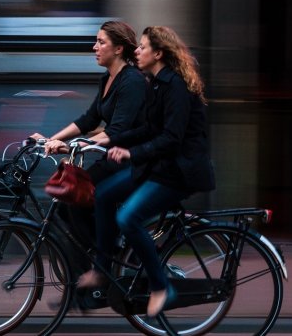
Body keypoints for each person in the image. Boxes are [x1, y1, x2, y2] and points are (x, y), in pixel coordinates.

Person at [81, 25, 215, 318]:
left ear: (159, 53)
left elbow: (171, 138)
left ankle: (161, 286)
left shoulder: (176, 86)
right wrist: (112, 140)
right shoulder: (154, 82)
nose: (137, 52)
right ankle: (102, 269)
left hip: (179, 172)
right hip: (157, 166)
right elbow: (148, 128)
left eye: (142, 47)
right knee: (102, 194)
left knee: (128, 218)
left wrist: (131, 152)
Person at [30, 19, 149, 256]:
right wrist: (50, 140)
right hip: (111, 159)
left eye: (100, 42)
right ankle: (102, 261)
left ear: (118, 49)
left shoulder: (132, 81)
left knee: (76, 200)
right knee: (69, 204)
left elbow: (116, 131)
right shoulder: (107, 79)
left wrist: (76, 146)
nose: (94, 47)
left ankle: (104, 262)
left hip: (131, 160)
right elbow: (88, 120)